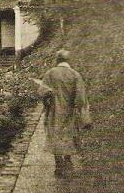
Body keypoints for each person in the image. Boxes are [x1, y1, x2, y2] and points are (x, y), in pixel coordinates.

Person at [37, 48, 91, 178]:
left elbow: (42, 91)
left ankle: (58, 164)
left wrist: (48, 100)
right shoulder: (75, 75)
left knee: (54, 135)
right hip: (69, 111)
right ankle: (68, 160)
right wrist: (80, 109)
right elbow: (80, 98)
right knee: (69, 134)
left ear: (57, 60)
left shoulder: (50, 73)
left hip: (54, 111)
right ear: (68, 60)